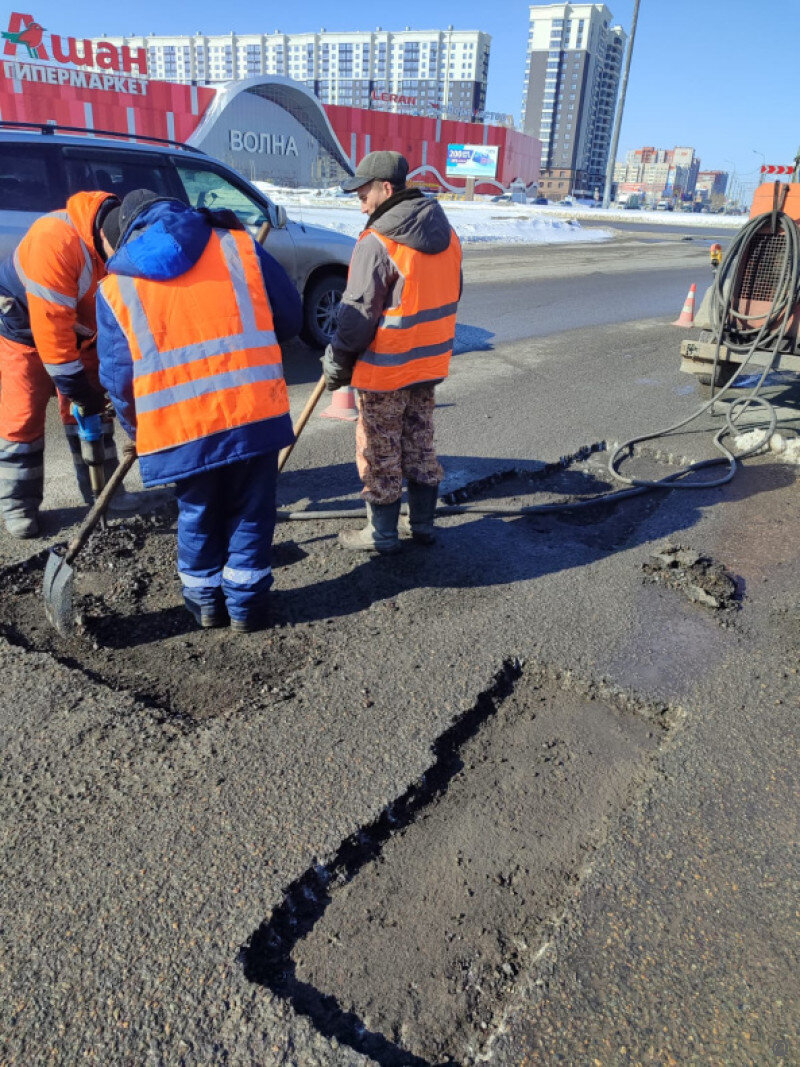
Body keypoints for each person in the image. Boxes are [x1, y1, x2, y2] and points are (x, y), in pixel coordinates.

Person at [95, 189, 301, 633]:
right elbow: (290, 319)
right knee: (251, 510)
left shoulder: (115, 287)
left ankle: (205, 603)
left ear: (130, 230)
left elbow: (118, 378)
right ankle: (246, 608)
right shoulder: (238, 245)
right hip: (253, 411)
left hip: (181, 427)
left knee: (197, 512)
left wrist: (139, 430)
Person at [322, 150, 462, 553]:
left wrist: (338, 360)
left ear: (386, 188)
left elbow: (358, 315)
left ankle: (381, 534)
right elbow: (452, 294)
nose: (360, 202)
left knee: (380, 449)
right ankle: (422, 525)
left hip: (386, 369)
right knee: (420, 442)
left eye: (363, 193)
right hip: (428, 363)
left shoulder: (378, 240)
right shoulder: (448, 235)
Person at [0, 190, 131, 538]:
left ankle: (105, 494)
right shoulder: (55, 241)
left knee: (94, 409)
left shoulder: (125, 239)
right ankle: (18, 504)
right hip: (24, 324)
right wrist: (80, 394)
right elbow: (55, 348)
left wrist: (95, 398)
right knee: (23, 413)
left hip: (83, 330)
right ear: (104, 237)